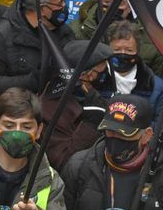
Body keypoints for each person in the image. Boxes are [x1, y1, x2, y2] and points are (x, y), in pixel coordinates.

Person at [0, 0, 76, 110]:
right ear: (42, 9)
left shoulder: (64, 32)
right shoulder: (0, 35)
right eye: (60, 4)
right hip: (18, 113)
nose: (64, 7)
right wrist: (34, 80)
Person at [72, 0, 163, 80]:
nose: (112, 6)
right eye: (107, 1)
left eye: (120, 2)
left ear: (129, 8)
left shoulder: (150, 37)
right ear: (99, 1)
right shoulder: (75, 30)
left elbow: (162, 81)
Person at [42, 40, 115, 171]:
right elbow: (64, 161)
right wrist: (91, 124)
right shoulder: (50, 110)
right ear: (87, 75)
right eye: (101, 73)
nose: (103, 78)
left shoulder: (93, 97)